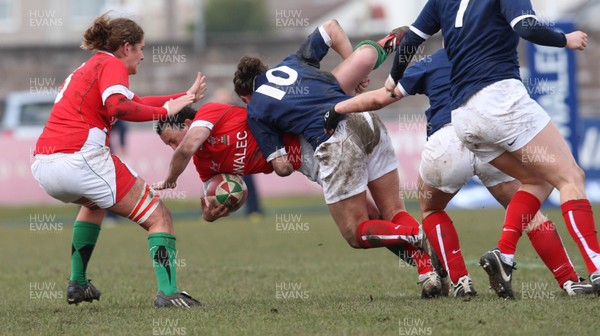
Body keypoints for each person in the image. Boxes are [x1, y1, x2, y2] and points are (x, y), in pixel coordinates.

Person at [373, 0, 598, 299]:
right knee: (570, 176)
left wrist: (393, 76)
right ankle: (595, 265)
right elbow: (526, 27)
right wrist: (565, 40)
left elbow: (412, 39)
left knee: (537, 179)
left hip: (464, 116)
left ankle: (504, 255)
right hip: (500, 98)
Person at [327, 48, 594, 297]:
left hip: (447, 141)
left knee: (431, 209)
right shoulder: (490, 54)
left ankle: (460, 281)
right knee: (530, 207)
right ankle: (568, 279)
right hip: (488, 137)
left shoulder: (430, 62)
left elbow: (380, 98)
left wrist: (338, 108)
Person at [231, 20, 446, 297]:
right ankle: (428, 273)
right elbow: (331, 28)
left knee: (355, 232)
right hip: (364, 116)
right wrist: (353, 68)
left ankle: (416, 235)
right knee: (391, 213)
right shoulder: (292, 62)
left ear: (245, 96)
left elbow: (282, 167)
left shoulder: (255, 109)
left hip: (335, 138)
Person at [154, 102, 446, 298]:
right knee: (381, 215)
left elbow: (186, 147)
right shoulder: (205, 164)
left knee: (361, 229)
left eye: (170, 139)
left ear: (189, 123)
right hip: (327, 152)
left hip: (319, 149)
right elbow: (234, 194)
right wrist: (213, 212)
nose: (172, 147)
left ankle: (417, 242)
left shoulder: (211, 112)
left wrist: (169, 180)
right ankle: (429, 270)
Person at [31, 13, 206, 308]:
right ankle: (168, 292)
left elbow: (133, 100)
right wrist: (166, 110)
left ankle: (78, 282)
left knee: (95, 203)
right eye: (141, 48)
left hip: (44, 165)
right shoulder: (111, 64)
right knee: (159, 216)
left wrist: (184, 97)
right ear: (126, 47)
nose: (142, 55)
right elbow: (119, 107)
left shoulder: (92, 66)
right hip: (80, 159)